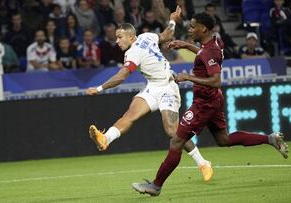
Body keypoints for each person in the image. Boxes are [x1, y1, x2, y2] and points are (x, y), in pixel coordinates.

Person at [131, 12, 289, 197]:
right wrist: (186, 45)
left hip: (204, 103)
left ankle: (156, 186)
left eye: (192, 26)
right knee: (224, 140)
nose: (189, 29)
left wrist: (187, 77)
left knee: (177, 141)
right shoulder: (215, 42)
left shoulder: (209, 51)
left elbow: (216, 80)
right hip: (213, 99)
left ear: (203, 28)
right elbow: (204, 54)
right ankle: (269, 139)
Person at [86, 6, 213, 182]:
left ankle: (203, 163)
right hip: (152, 87)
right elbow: (167, 35)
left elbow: (122, 76)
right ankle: (105, 138)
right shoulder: (147, 36)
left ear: (131, 36)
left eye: (120, 37)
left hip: (168, 87)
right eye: (116, 37)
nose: (117, 41)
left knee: (172, 131)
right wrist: (172, 20)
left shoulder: (132, 53)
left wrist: (99, 88)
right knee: (130, 115)